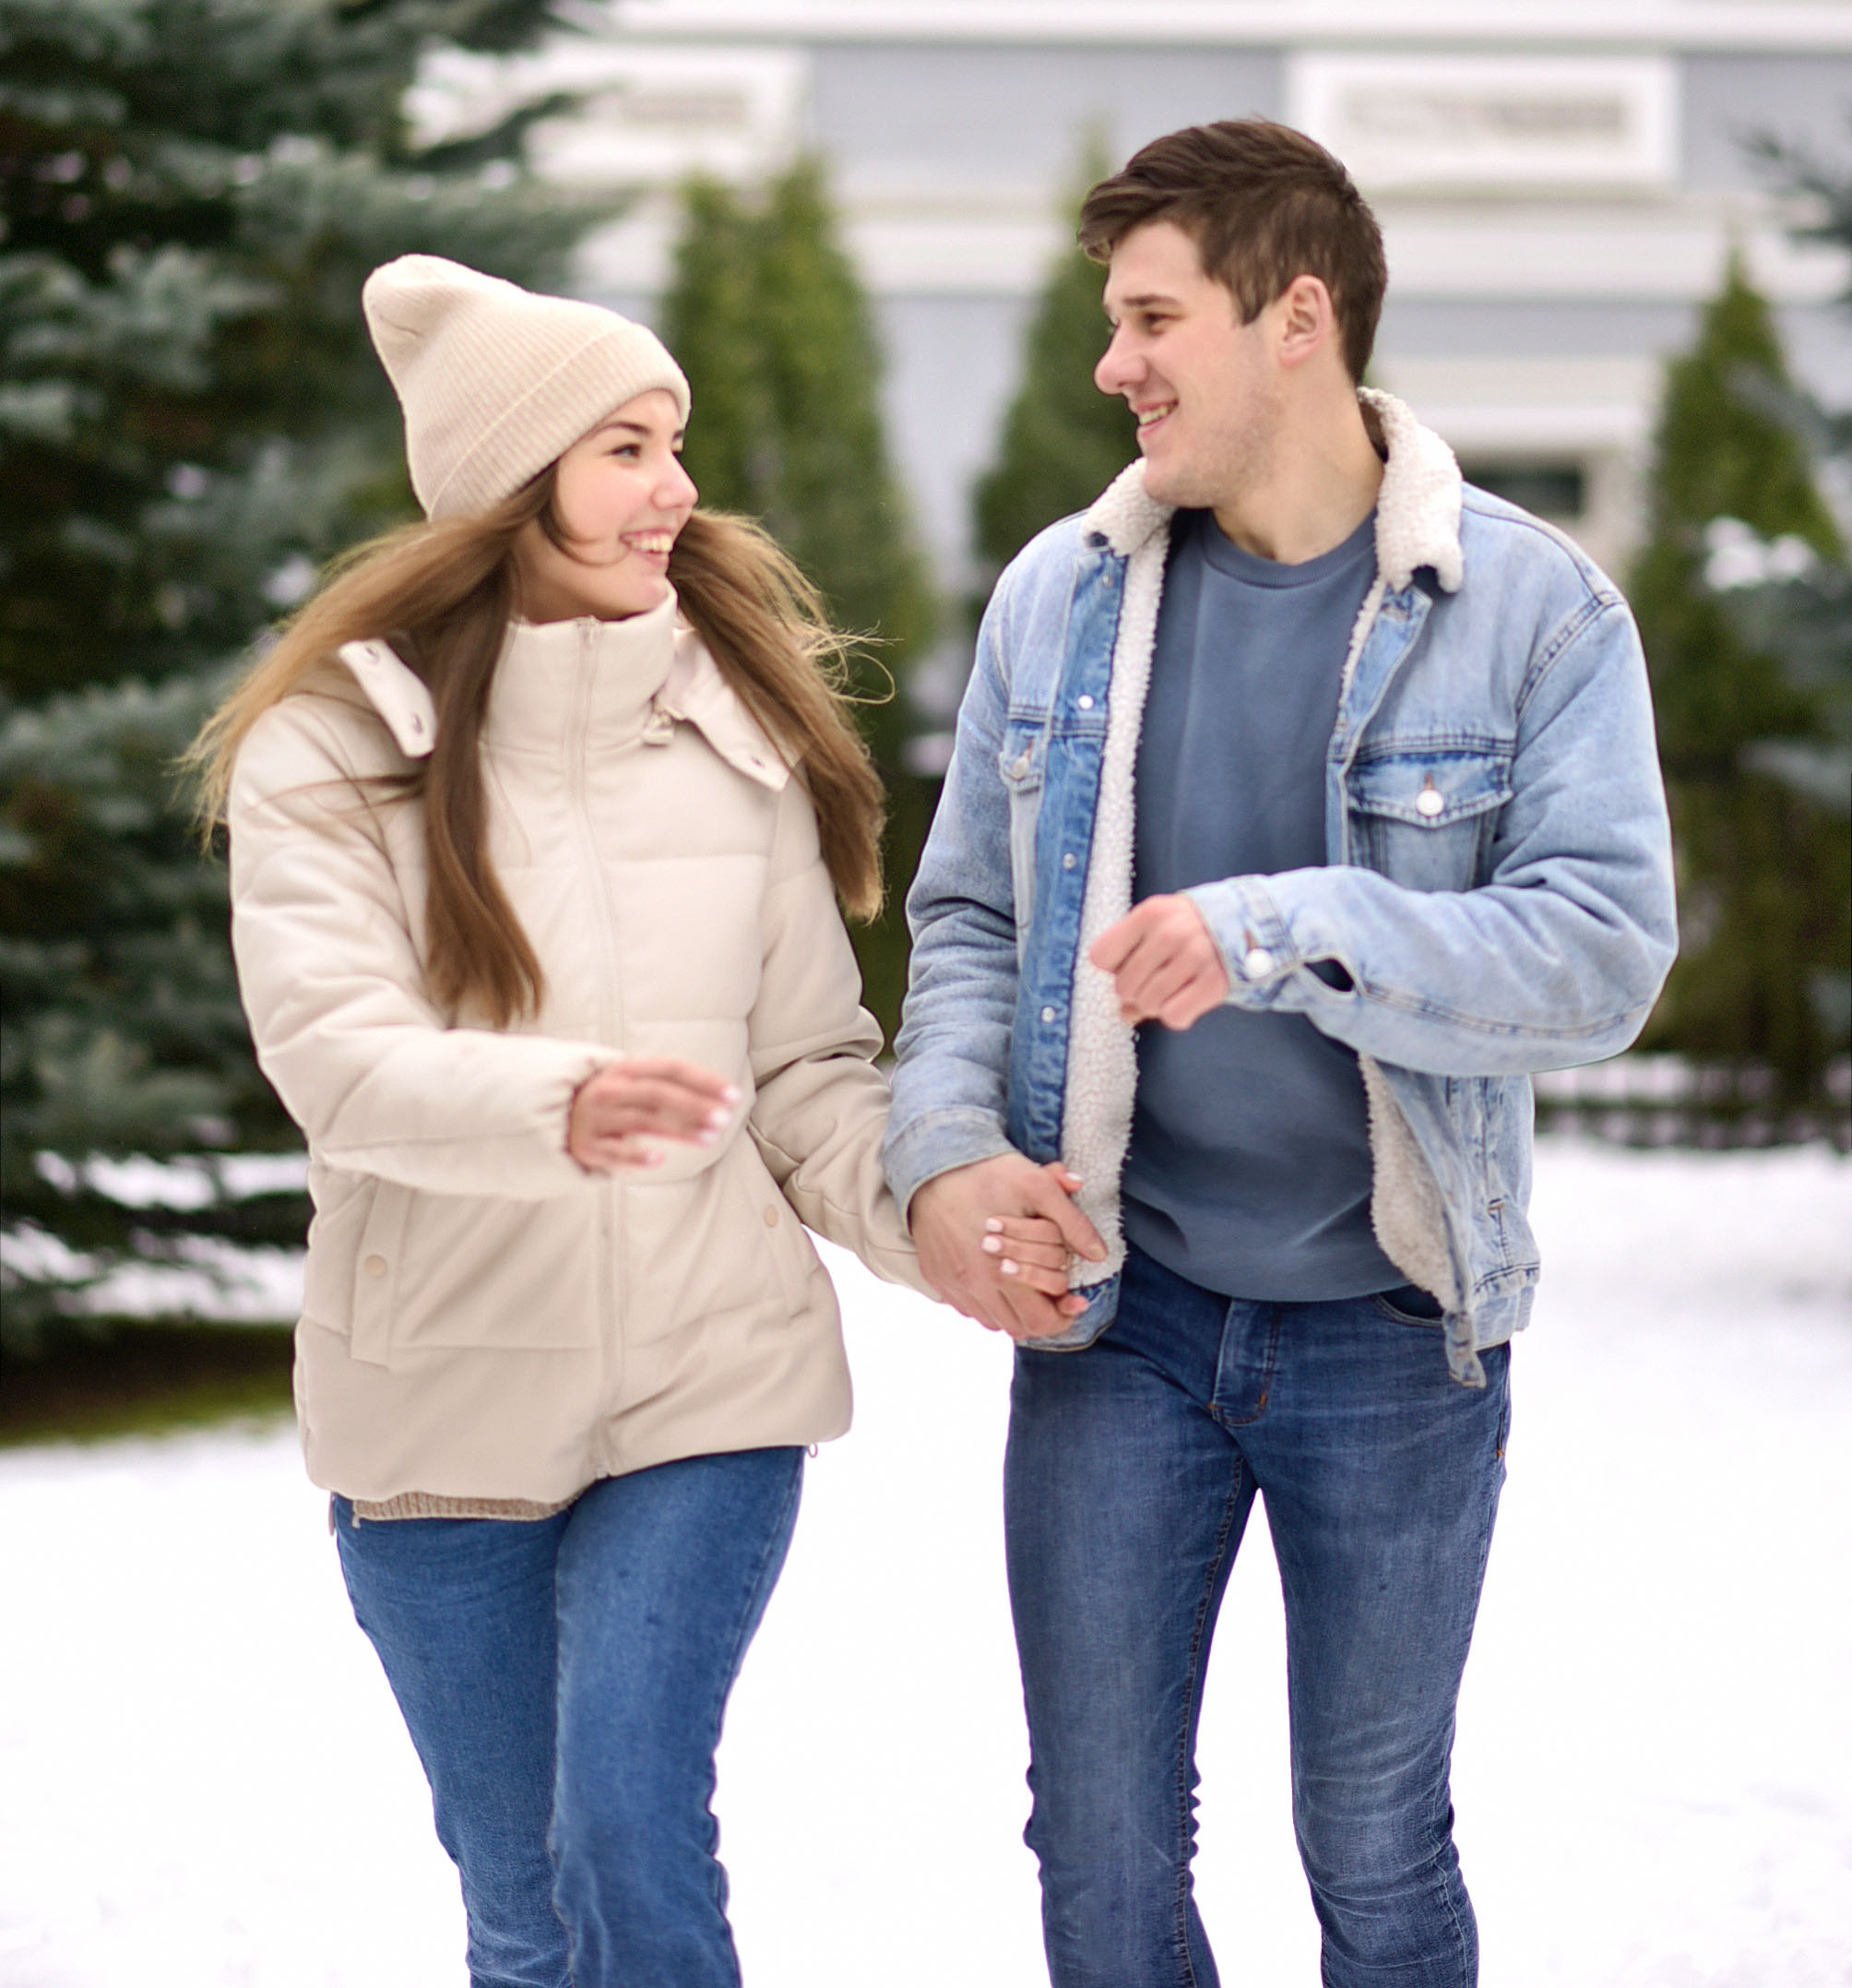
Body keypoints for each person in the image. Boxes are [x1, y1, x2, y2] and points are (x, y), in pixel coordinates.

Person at [885, 120, 1677, 1988]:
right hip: (1124, 1314)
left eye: (1152, 315)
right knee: (1091, 1843)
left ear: (1292, 317)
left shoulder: (1529, 609)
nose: (1111, 363)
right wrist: (937, 1152)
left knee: (1373, 1847)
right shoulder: (1053, 600)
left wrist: (1280, 928)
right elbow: (968, 926)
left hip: (1390, 1332)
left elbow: (1596, 957)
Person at [194, 254, 922, 1988]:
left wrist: (941, 1217)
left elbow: (812, 1068)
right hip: (438, 1401)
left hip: (707, 1374)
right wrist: (566, 1101)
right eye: (624, 446)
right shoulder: (335, 743)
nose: (677, 487)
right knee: (523, 1910)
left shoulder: (728, 727)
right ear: (514, 480)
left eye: (675, 442)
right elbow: (336, 1056)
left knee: (626, 1830)